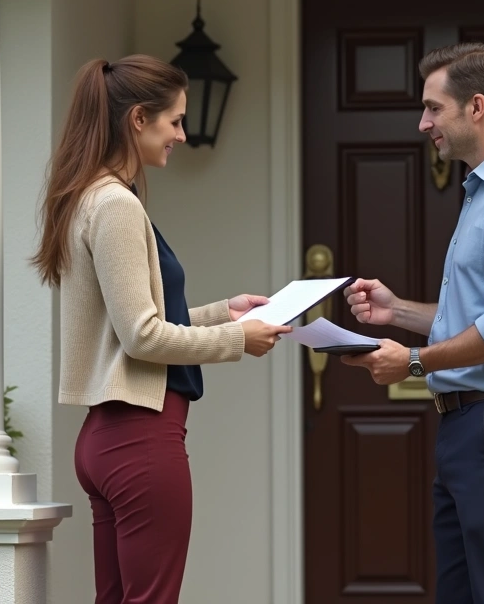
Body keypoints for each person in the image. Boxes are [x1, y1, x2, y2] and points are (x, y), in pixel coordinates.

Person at [30, 54, 292, 604]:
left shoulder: (89, 197)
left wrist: (224, 313)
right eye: (175, 120)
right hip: (141, 437)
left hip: (105, 437)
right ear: (138, 119)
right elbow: (143, 337)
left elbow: (130, 324)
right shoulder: (116, 204)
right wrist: (238, 341)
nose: (181, 134)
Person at [339, 42, 484, 604]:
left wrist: (413, 362)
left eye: (432, 108)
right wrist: (397, 312)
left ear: (476, 107)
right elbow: (481, 319)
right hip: (475, 427)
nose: (423, 124)